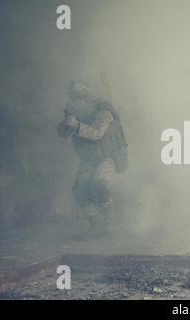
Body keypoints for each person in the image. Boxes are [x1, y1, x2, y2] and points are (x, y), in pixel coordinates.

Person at [58, 80, 128, 239]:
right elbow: (62, 133)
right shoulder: (75, 111)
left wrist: (76, 125)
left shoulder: (103, 109)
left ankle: (110, 224)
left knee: (99, 185)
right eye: (75, 97)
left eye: (80, 97)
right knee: (79, 190)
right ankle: (95, 225)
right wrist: (67, 125)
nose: (77, 101)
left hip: (106, 156)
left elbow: (97, 132)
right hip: (89, 158)